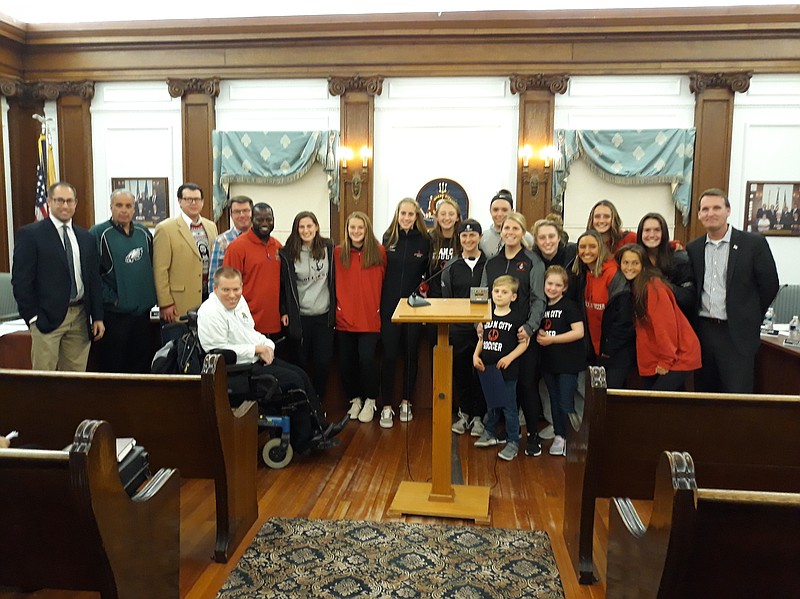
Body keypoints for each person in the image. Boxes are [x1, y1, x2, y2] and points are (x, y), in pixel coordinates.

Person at [197, 267, 344, 455]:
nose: (232, 295)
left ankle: (320, 428)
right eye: (226, 290)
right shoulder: (209, 312)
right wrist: (256, 349)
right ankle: (304, 440)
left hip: (254, 359)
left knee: (301, 373)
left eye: (236, 289)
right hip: (236, 370)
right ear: (215, 289)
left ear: (242, 287)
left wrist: (267, 345)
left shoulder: (240, 302)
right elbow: (218, 352)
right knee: (294, 381)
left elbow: (249, 332)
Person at [686, 188, 779, 393]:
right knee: (705, 395)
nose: (711, 213)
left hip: (737, 335)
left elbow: (770, 285)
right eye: (705, 209)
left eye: (716, 208)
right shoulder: (693, 249)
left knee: (738, 398)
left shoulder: (753, 244)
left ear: (728, 210)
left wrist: (749, 314)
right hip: (704, 332)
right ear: (700, 215)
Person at [12, 181, 104, 371]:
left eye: (69, 201)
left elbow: (93, 279)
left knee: (74, 382)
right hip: (46, 319)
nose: (65, 206)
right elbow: (21, 281)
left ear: (76, 203)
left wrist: (98, 316)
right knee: (44, 382)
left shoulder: (85, 236)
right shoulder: (31, 235)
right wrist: (32, 318)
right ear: (48, 202)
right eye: (59, 200)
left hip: (80, 317)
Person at [481, 212, 546, 457]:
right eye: (506, 228)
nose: (510, 232)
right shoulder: (492, 263)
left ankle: (533, 436)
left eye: (515, 229)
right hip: (497, 335)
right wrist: (481, 322)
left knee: (526, 386)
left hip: (522, 335)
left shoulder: (533, 261)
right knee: (498, 385)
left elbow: (539, 298)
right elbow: (484, 296)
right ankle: (502, 432)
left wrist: (529, 327)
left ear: (522, 232)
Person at [89, 189, 158, 373]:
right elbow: (92, 276)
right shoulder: (98, 234)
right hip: (115, 316)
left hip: (142, 314)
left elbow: (151, 267)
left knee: (142, 365)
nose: (124, 210)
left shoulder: (144, 233)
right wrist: (114, 299)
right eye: (119, 205)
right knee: (115, 366)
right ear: (111, 207)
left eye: (128, 206)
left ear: (134, 209)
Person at [617, 244, 701, 391]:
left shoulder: (653, 287)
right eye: (625, 263)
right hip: (661, 357)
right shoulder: (635, 286)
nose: (629, 267)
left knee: (655, 405)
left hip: (677, 356)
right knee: (669, 407)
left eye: (635, 263)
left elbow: (664, 325)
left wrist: (666, 360)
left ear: (644, 265)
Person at [378, 199, 430, 427]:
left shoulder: (425, 241)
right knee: (389, 356)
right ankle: (387, 406)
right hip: (389, 306)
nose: (407, 217)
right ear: (397, 214)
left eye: (411, 214)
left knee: (411, 355)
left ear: (417, 216)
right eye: (403, 213)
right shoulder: (388, 238)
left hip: (413, 307)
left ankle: (407, 402)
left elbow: (428, 276)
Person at [335, 212, 386, 423]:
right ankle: (355, 399)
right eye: (352, 228)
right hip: (344, 318)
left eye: (360, 228)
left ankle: (370, 400)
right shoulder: (338, 253)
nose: (356, 232)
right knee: (347, 363)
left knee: (367, 361)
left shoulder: (379, 252)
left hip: (369, 319)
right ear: (347, 230)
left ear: (367, 229)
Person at [279, 211, 335, 401]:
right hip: (300, 316)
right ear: (296, 229)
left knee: (323, 363)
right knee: (300, 363)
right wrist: (284, 310)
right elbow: (282, 285)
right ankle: (303, 402)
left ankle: (318, 399)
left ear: (317, 227)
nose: (306, 230)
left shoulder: (329, 248)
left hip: (324, 315)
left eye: (309, 226)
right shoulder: (287, 253)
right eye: (301, 227)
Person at [472, 275, 529, 462]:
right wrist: (475, 355)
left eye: (504, 292)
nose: (499, 295)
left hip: (507, 370)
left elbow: (524, 343)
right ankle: (490, 432)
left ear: (513, 297)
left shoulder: (517, 318)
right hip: (487, 367)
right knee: (492, 403)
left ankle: (513, 440)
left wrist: (509, 357)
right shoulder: (487, 315)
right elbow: (482, 338)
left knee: (509, 407)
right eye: (496, 291)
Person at [571, 230, 635, 389]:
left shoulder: (614, 273)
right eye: (582, 247)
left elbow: (623, 317)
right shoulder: (583, 274)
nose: (587, 251)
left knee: (611, 397)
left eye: (592, 246)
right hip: (596, 350)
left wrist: (609, 350)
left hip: (616, 351)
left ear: (601, 248)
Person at [443, 219, 487, 437]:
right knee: (460, 371)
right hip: (459, 329)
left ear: (479, 237)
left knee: (480, 372)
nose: (469, 240)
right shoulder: (451, 266)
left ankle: (479, 416)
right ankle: (465, 413)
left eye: (473, 235)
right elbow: (447, 298)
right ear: (459, 239)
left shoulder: (489, 263)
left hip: (483, 329)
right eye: (464, 236)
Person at [536, 266, 585, 457]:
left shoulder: (569, 306)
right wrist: (541, 334)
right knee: (554, 400)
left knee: (566, 401)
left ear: (564, 287)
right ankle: (559, 436)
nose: (553, 288)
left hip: (568, 364)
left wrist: (552, 339)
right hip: (549, 363)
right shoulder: (542, 306)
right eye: (550, 284)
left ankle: (572, 438)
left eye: (558, 285)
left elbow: (578, 332)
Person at [153, 182, 218, 323]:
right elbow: (160, 270)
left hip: (208, 297)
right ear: (180, 202)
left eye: (197, 199)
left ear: (202, 202)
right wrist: (165, 303)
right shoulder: (166, 229)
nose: (193, 203)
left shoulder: (211, 226)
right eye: (189, 199)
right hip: (180, 300)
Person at [223, 203, 283, 338]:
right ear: (251, 220)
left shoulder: (278, 246)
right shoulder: (237, 247)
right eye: (259, 219)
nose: (265, 223)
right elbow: (227, 287)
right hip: (247, 324)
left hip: (275, 324)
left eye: (268, 219)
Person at [636, 212, 695, 317]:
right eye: (647, 230)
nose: (652, 235)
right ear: (640, 233)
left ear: (664, 233)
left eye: (657, 230)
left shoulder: (680, 260)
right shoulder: (635, 259)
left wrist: (662, 286)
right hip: (642, 322)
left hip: (671, 320)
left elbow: (689, 298)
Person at [207, 196, 253, 296]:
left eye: (245, 211)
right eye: (237, 212)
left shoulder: (261, 240)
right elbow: (213, 278)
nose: (241, 215)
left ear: (252, 213)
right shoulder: (221, 241)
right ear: (231, 215)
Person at [479, 189, 534, 259]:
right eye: (495, 210)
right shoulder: (483, 238)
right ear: (490, 211)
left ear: (512, 211)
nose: (499, 214)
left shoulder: (526, 238)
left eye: (504, 210)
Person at [426, 197, 461, 300]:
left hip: (458, 298)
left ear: (457, 217)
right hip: (434, 298)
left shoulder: (464, 240)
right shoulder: (429, 239)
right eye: (442, 214)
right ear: (436, 216)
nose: (447, 218)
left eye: (451, 214)